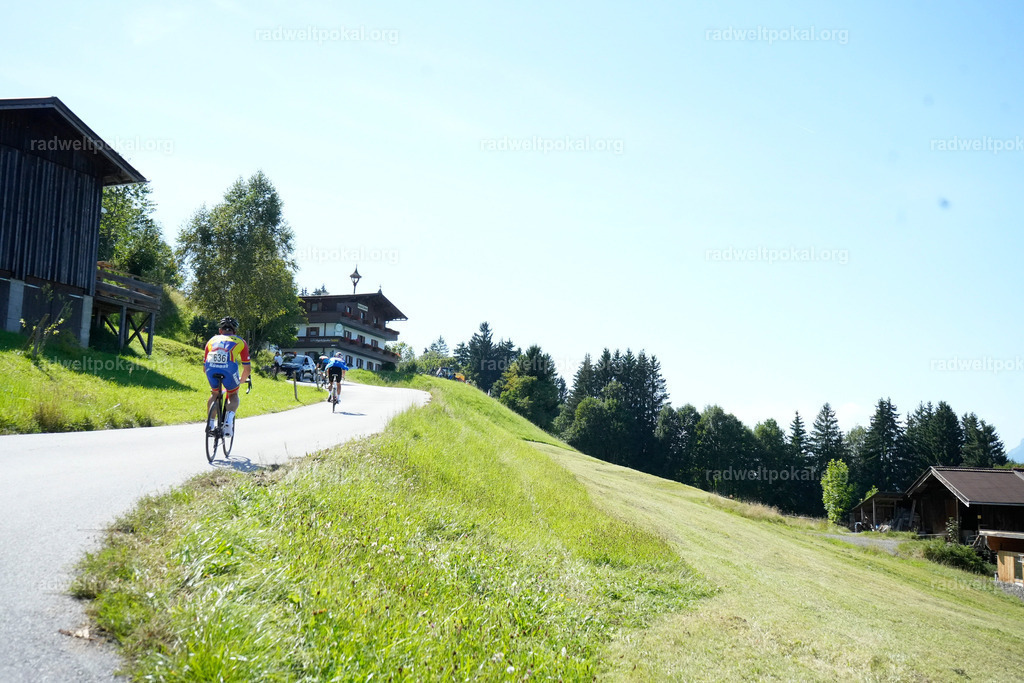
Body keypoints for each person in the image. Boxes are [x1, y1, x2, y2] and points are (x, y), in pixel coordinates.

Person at [203, 316, 251, 437]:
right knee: (233, 394)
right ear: (234, 332)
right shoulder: (240, 341)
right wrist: (242, 380)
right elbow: (247, 368)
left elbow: (204, 368)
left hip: (210, 368)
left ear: (220, 330)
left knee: (214, 394)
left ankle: (210, 423)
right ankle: (229, 420)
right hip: (229, 369)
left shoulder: (211, 340)